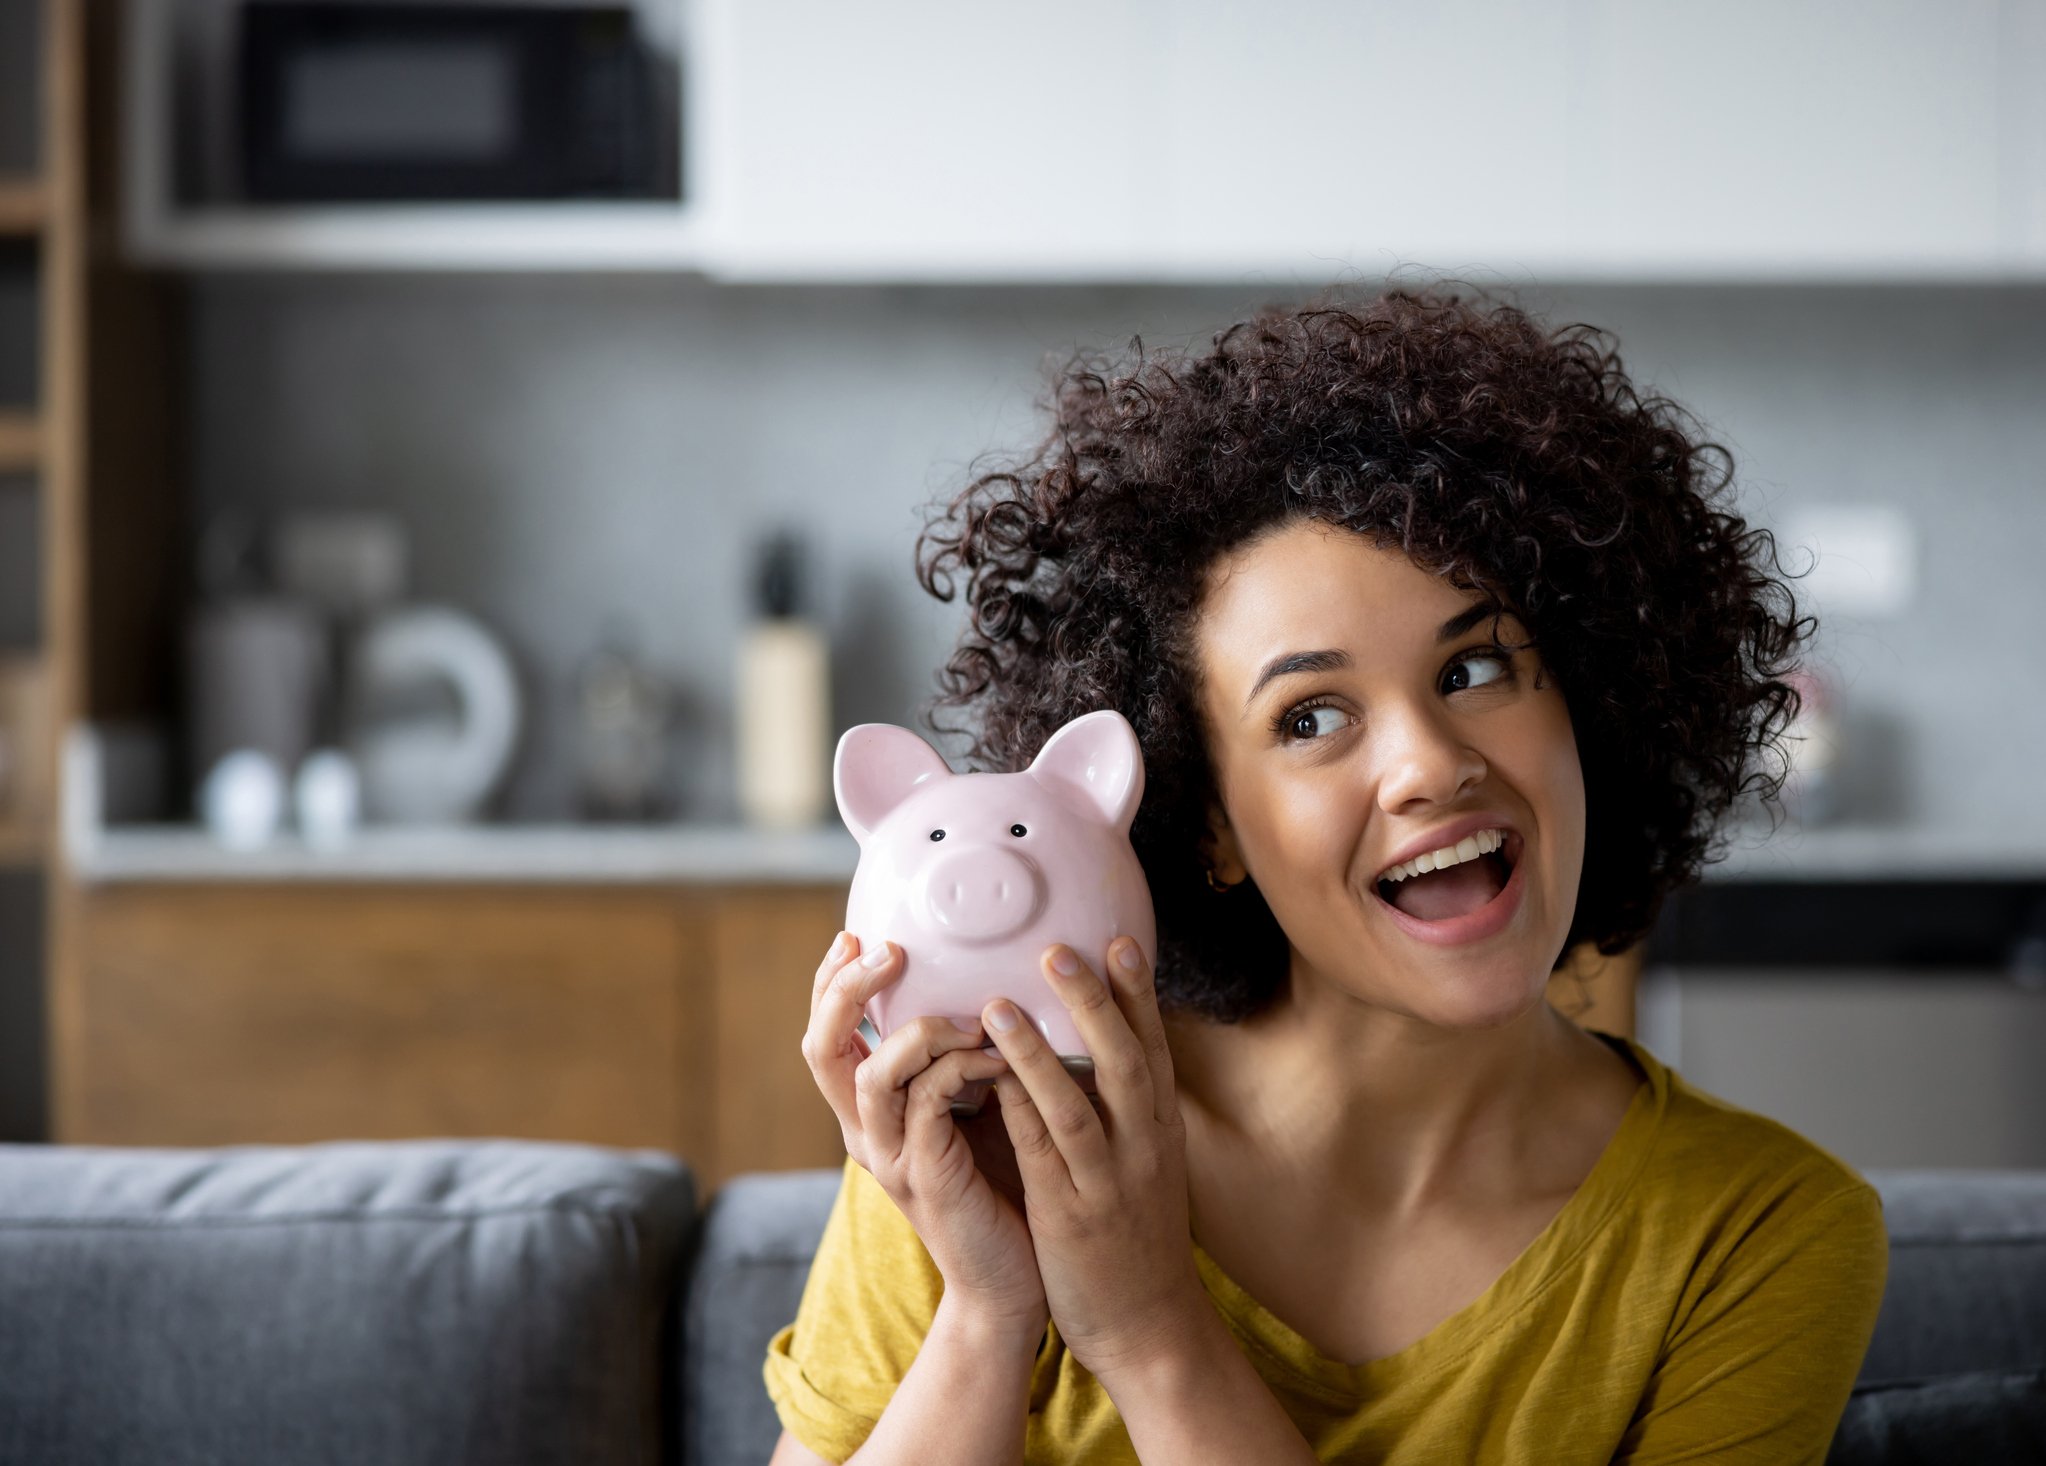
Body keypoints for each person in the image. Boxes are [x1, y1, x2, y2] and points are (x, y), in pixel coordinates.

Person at [764, 284, 1889, 1464]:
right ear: (1210, 826)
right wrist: (989, 1312)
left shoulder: (1757, 1232)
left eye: (1475, 671)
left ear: (1591, 707)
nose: (1429, 765)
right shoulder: (1012, 1119)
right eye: (1311, 717)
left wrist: (1153, 1333)